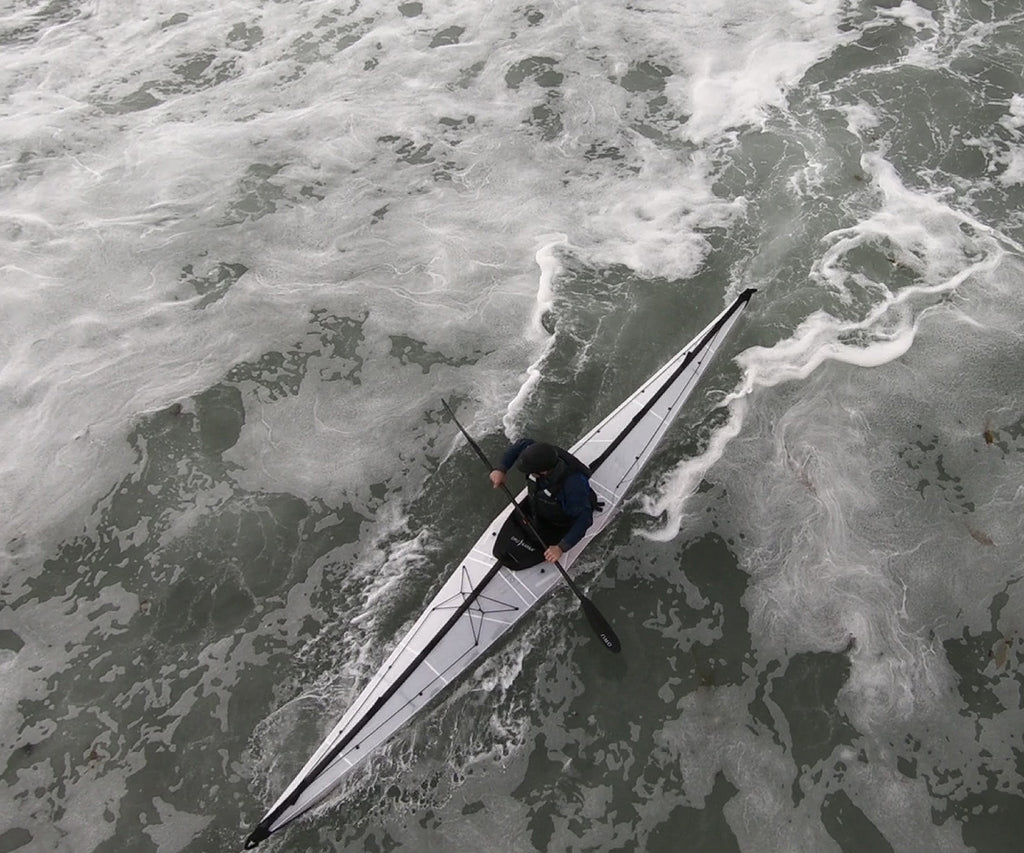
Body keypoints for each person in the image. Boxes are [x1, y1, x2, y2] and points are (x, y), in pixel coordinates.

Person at [489, 439, 596, 564]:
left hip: (560, 521)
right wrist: (501, 468)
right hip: (538, 509)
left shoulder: (574, 485)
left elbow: (585, 518)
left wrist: (561, 547)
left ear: (543, 471)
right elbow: (522, 444)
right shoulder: (537, 452)